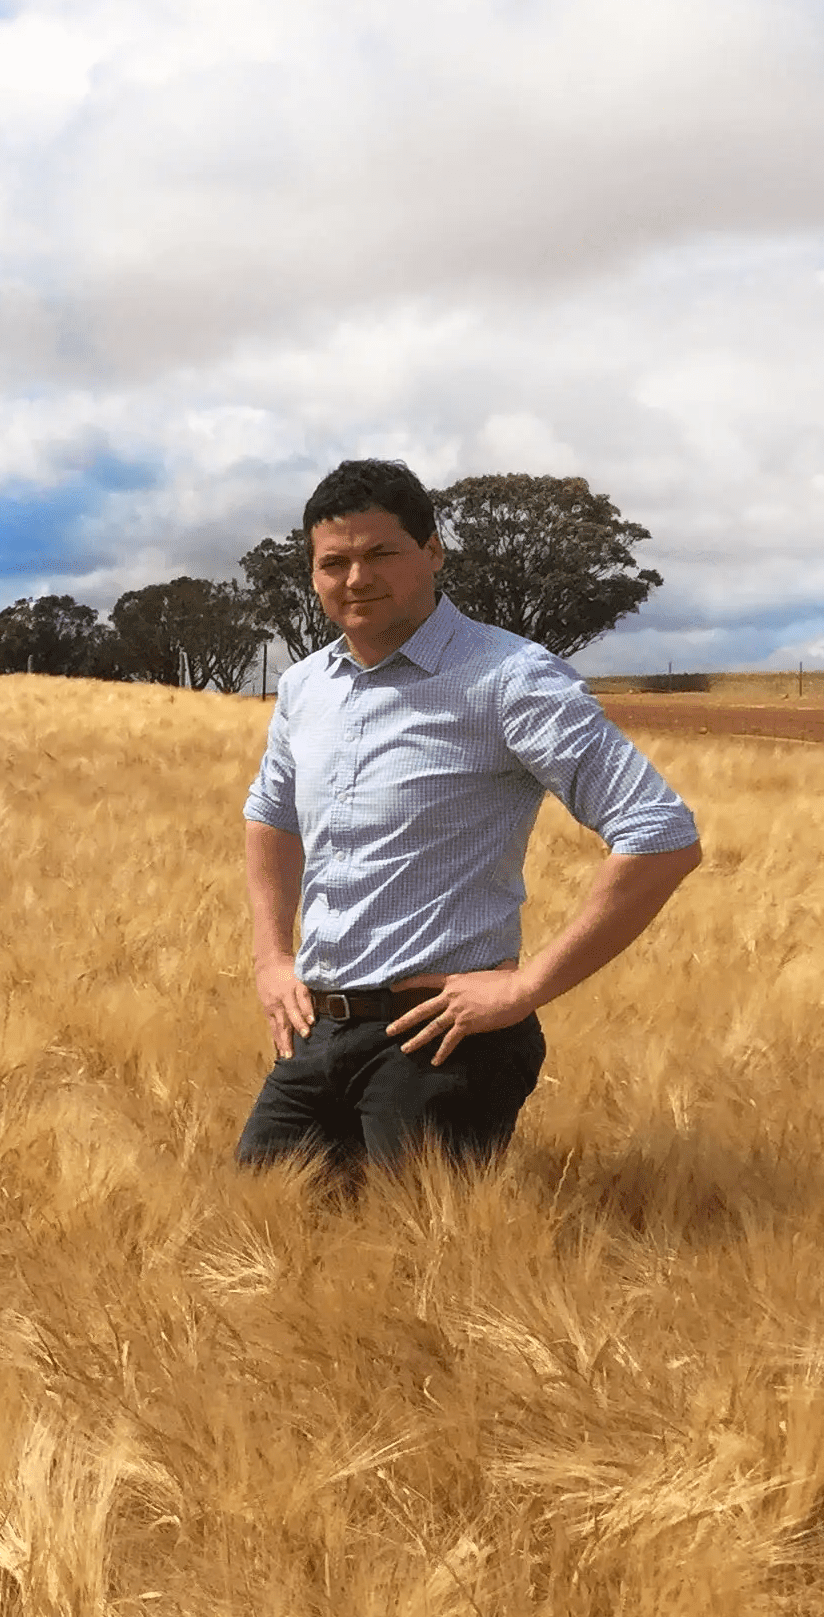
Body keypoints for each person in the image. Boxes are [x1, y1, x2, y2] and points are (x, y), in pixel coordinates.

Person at [238, 457, 702, 1173]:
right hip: (313, 1034)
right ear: (312, 574)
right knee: (256, 1245)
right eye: (333, 563)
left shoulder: (509, 678)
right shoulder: (305, 687)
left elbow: (660, 835)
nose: (356, 578)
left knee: (420, 1273)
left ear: (431, 552)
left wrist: (526, 985)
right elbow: (271, 814)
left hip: (440, 1042)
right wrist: (272, 958)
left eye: (380, 553)